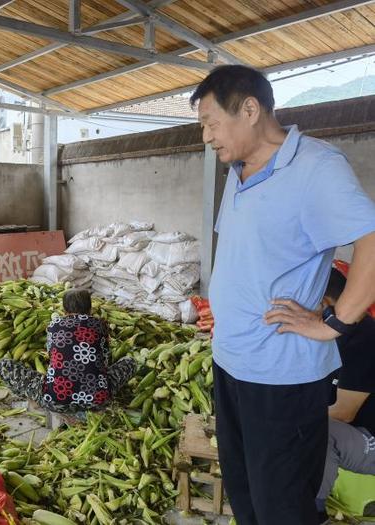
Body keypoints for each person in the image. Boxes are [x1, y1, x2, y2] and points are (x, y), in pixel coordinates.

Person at [192, 65, 375, 525]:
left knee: (284, 507)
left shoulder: (316, 166)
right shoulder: (238, 171)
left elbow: (370, 237)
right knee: (247, 494)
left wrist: (335, 323)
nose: (207, 136)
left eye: (211, 122)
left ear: (250, 109)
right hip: (231, 365)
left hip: (281, 379)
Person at [0, 288, 137, 416]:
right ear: (90, 308)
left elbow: (52, 356)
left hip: (56, 400)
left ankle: (33, 400)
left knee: (3, 365)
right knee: (130, 362)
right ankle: (88, 407)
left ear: (64, 310)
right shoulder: (100, 325)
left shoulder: (54, 326)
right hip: (96, 400)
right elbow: (105, 360)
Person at [316, 269, 375, 520]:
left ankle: (311, 512)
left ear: (325, 302)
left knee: (319, 430)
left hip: (368, 438)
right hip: (357, 432)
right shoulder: (336, 332)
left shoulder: (364, 340)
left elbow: (344, 413)